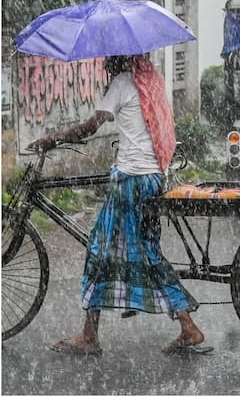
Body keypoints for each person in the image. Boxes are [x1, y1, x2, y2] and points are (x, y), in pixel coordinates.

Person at [30, 54, 212, 356]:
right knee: (145, 252)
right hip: (152, 179)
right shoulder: (148, 82)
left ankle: (91, 336)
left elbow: (91, 126)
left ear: (117, 61)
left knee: (101, 250)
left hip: (131, 182)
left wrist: (54, 138)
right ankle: (184, 325)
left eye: (108, 62)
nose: (105, 67)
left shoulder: (123, 82)